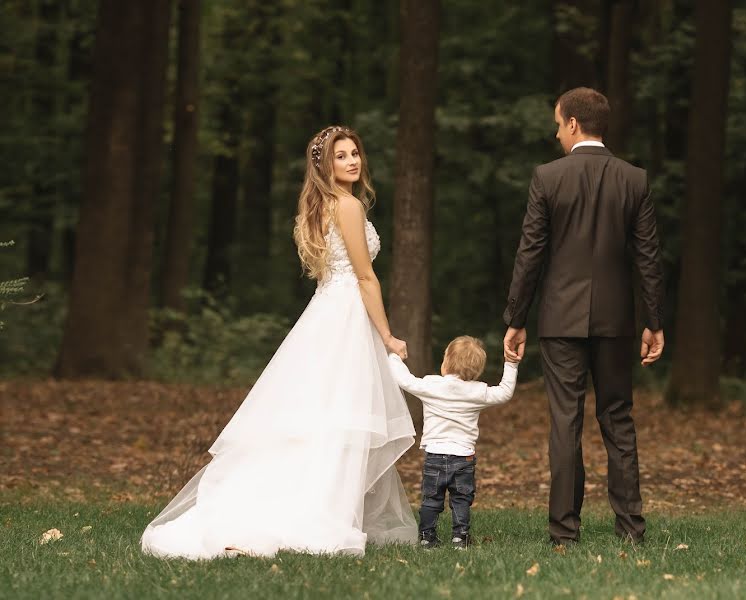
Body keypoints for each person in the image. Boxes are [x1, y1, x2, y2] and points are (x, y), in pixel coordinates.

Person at [141, 126, 418, 559]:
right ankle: (317, 511)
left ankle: (323, 503)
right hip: (344, 315)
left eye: (355, 154)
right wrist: (387, 335)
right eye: (341, 156)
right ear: (325, 165)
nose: (352, 161)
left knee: (319, 413)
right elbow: (365, 277)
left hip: (327, 312)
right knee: (337, 413)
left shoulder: (324, 205)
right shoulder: (347, 205)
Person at [503, 88, 665, 546]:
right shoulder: (634, 179)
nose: (556, 133)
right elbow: (649, 258)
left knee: (565, 422)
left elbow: (530, 253)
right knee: (618, 418)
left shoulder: (547, 178)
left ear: (574, 124)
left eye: (558, 124)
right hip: (617, 320)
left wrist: (516, 317)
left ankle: (563, 533)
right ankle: (631, 530)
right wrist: (654, 320)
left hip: (560, 320)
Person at [388, 336, 518, 549]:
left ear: (446, 362)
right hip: (464, 457)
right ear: (477, 370)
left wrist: (395, 356)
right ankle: (460, 537)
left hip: (435, 455)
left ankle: (427, 537)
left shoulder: (431, 385)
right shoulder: (477, 391)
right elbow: (504, 392)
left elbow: (406, 380)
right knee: (461, 499)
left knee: (431, 499)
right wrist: (511, 364)